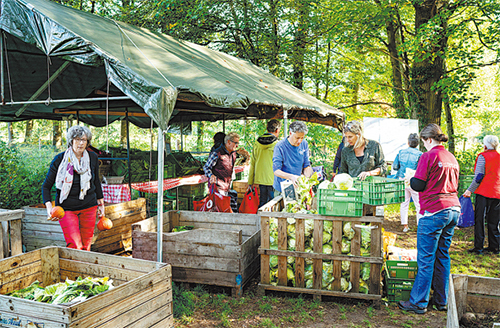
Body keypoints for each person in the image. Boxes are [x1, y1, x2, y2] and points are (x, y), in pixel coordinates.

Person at [398, 124, 460, 314]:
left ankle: (418, 302)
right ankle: (441, 300)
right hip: (453, 209)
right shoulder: (451, 157)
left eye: (424, 142)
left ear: (428, 139)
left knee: (426, 258)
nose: (424, 145)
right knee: (443, 255)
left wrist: (409, 180)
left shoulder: (428, 156)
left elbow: (418, 184)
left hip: (434, 211)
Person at [42, 125, 105, 251]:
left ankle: (84, 270)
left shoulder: (92, 158)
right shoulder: (59, 160)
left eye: (84, 140)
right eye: (77, 139)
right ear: (71, 141)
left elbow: (96, 182)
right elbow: (46, 186)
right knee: (75, 245)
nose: (81, 143)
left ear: (88, 142)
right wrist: (49, 208)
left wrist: (101, 204)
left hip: (89, 207)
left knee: (86, 246)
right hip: (66, 209)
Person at [464, 135, 500, 255]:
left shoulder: (482, 156)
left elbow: (479, 176)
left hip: (483, 192)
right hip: (497, 192)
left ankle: (478, 247)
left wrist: (469, 190)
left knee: (479, 220)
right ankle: (494, 246)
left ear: (485, 145)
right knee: (494, 221)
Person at [393, 133, 423, 232]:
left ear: (408, 142)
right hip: (414, 180)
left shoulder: (401, 152)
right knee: (418, 204)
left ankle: (405, 226)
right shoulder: (420, 154)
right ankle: (420, 226)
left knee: (404, 203)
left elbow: (395, 167)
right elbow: (421, 169)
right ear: (418, 144)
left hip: (402, 179)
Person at [248, 119, 282, 207]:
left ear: (267, 129)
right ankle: (270, 220)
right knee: (272, 203)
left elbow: (253, 162)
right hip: (273, 179)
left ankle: (260, 220)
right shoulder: (278, 144)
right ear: (277, 130)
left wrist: (250, 181)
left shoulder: (257, 143)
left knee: (262, 202)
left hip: (260, 179)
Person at [273, 121, 313, 193]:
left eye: (302, 138)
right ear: (290, 133)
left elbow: (307, 166)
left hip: (297, 186)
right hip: (281, 188)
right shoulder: (280, 146)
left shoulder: (304, 144)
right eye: (297, 138)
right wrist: (292, 177)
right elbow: (276, 171)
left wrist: (306, 180)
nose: (299, 141)